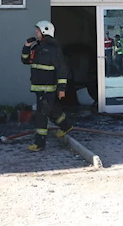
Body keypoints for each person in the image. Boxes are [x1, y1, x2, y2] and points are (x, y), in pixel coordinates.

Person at [21, 20, 74, 151]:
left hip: (47, 88)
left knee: (41, 114)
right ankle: (66, 126)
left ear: (44, 31)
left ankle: (39, 144)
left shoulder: (53, 50)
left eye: (38, 30)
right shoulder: (36, 47)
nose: (36, 32)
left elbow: (62, 70)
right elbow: (25, 60)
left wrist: (62, 89)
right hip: (39, 87)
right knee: (51, 110)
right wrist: (26, 46)